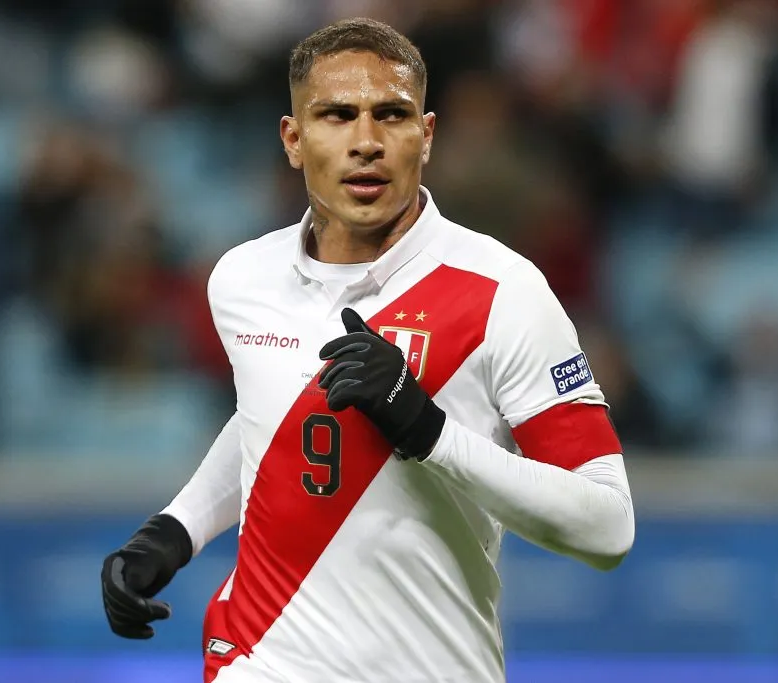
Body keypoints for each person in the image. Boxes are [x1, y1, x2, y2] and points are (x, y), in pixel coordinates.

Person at [100, 17, 635, 683]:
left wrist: (427, 429)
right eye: (336, 116)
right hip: (261, 660)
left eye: (391, 115)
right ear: (294, 140)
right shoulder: (241, 279)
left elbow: (608, 526)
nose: (366, 142)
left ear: (427, 136)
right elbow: (274, 417)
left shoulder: (504, 292)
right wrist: (175, 531)